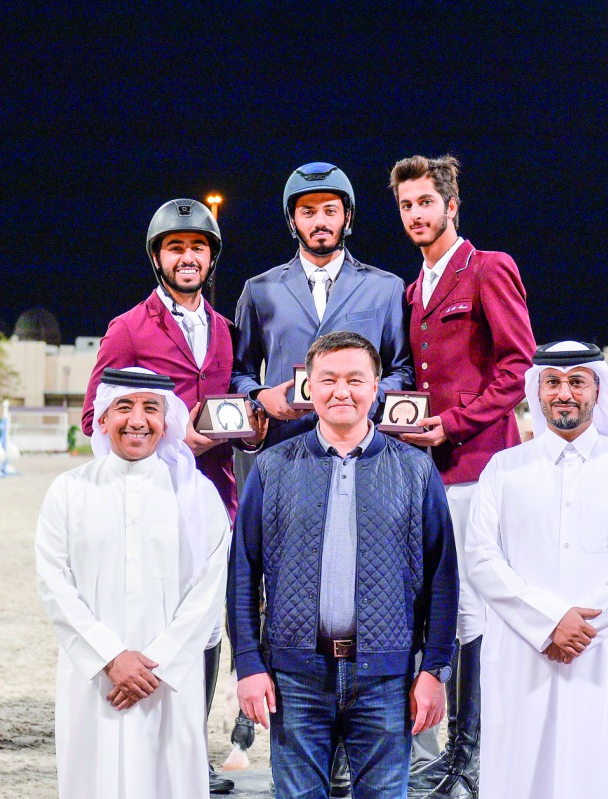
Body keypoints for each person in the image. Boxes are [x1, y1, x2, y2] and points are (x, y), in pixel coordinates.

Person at [80, 199, 265, 792]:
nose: (188, 257)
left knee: (204, 626)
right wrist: (171, 438)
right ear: (158, 257)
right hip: (150, 502)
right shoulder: (128, 328)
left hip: (215, 499)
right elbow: (92, 417)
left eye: (198, 248)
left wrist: (251, 428)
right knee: (159, 619)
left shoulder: (227, 331)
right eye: (176, 247)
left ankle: (193, 751)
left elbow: (236, 405)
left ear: (211, 258)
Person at [228, 331, 458, 799]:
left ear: (376, 388)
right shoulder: (272, 468)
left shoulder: (415, 470)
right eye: (328, 379)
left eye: (355, 380)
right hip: (295, 678)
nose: (342, 391)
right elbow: (243, 575)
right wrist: (249, 664)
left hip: (386, 679)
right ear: (309, 386)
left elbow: (442, 577)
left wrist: (435, 669)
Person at [463, 342, 608, 799]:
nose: (565, 393)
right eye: (553, 382)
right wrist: (549, 623)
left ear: (598, 390)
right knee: (523, 772)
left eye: (577, 382)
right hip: (525, 654)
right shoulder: (504, 468)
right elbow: (480, 557)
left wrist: (581, 628)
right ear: (537, 390)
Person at [388, 153, 535, 797]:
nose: (416, 214)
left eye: (426, 202)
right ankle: (443, 750)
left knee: (473, 609)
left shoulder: (488, 268)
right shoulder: (411, 289)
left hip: (478, 466)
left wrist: (453, 424)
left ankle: (471, 758)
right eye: (406, 205)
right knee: (437, 608)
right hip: (426, 473)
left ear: (451, 206)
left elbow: (517, 367)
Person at [37, 367, 232, 799]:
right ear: (103, 419)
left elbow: (209, 589)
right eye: (123, 407)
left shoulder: (197, 496)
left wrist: (156, 663)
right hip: (94, 679)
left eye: (151, 408)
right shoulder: (68, 491)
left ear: (168, 420)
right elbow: (54, 585)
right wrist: (110, 658)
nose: (137, 420)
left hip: (168, 681)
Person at [232, 162, 413, 448]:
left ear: (347, 216)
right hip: (285, 446)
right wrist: (260, 396)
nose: (320, 222)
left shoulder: (386, 288)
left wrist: (364, 399)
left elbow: (402, 371)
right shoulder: (258, 290)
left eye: (330, 211)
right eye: (308, 212)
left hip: (364, 445)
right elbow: (239, 373)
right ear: (292, 220)